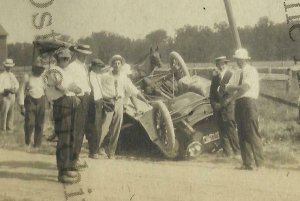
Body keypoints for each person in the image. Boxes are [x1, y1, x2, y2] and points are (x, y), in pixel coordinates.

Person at [95, 55, 148, 159]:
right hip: (108, 102)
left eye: (119, 63)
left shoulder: (124, 78)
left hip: (119, 102)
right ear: (112, 65)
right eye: (115, 63)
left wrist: (145, 100)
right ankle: (96, 149)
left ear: (121, 65)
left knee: (116, 128)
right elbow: (97, 86)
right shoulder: (105, 76)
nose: (117, 65)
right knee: (104, 126)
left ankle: (111, 152)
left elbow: (134, 91)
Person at [44, 48, 82, 184]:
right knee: (64, 137)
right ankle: (62, 169)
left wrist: (72, 89)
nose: (66, 60)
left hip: (71, 102)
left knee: (72, 135)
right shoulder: (53, 70)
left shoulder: (68, 72)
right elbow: (63, 86)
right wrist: (71, 88)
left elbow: (77, 87)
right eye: (63, 58)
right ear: (57, 59)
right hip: (61, 103)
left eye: (68, 58)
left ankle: (70, 164)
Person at [223, 48, 264, 170]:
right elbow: (227, 88)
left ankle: (260, 164)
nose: (238, 62)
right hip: (239, 103)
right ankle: (247, 163)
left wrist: (231, 98)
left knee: (252, 132)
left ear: (246, 60)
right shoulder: (236, 72)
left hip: (249, 103)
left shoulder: (251, 71)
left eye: (240, 60)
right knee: (241, 133)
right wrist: (237, 88)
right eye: (237, 60)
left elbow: (245, 88)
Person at [66, 44, 92, 169]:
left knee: (81, 130)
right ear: (77, 53)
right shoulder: (72, 67)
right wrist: (74, 97)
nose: (85, 56)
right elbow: (68, 84)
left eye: (86, 54)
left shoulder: (83, 66)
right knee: (75, 130)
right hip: (77, 99)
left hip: (85, 98)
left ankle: (76, 157)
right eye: (82, 54)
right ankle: (72, 160)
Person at [210, 56, 240, 157]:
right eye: (219, 64)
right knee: (221, 131)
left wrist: (221, 105)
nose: (221, 66)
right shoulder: (215, 77)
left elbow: (232, 94)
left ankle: (237, 152)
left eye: (223, 64)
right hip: (218, 108)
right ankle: (227, 153)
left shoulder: (231, 75)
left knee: (231, 130)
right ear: (217, 65)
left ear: (226, 64)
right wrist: (214, 105)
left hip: (228, 107)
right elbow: (212, 93)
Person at [18, 57, 47, 147]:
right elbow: (21, 91)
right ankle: (27, 141)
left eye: (42, 68)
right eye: (38, 68)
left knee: (40, 123)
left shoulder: (43, 78)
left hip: (41, 100)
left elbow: (46, 90)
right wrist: (22, 106)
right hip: (30, 100)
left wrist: (49, 102)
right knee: (29, 123)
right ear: (34, 68)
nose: (40, 70)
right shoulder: (27, 76)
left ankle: (37, 144)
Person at [87, 58, 109, 159]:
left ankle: (95, 149)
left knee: (98, 127)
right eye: (99, 67)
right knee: (93, 127)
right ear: (94, 66)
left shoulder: (98, 75)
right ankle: (93, 151)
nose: (101, 69)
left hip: (99, 102)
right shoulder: (88, 76)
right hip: (92, 103)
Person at [0, 59, 19, 132]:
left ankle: (9, 127)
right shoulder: (1, 76)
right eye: (7, 66)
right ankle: (2, 128)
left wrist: (15, 88)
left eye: (10, 66)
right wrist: (5, 90)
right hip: (4, 96)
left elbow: (17, 84)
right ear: (4, 66)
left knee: (11, 112)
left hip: (12, 96)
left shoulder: (12, 75)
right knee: (4, 112)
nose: (9, 68)